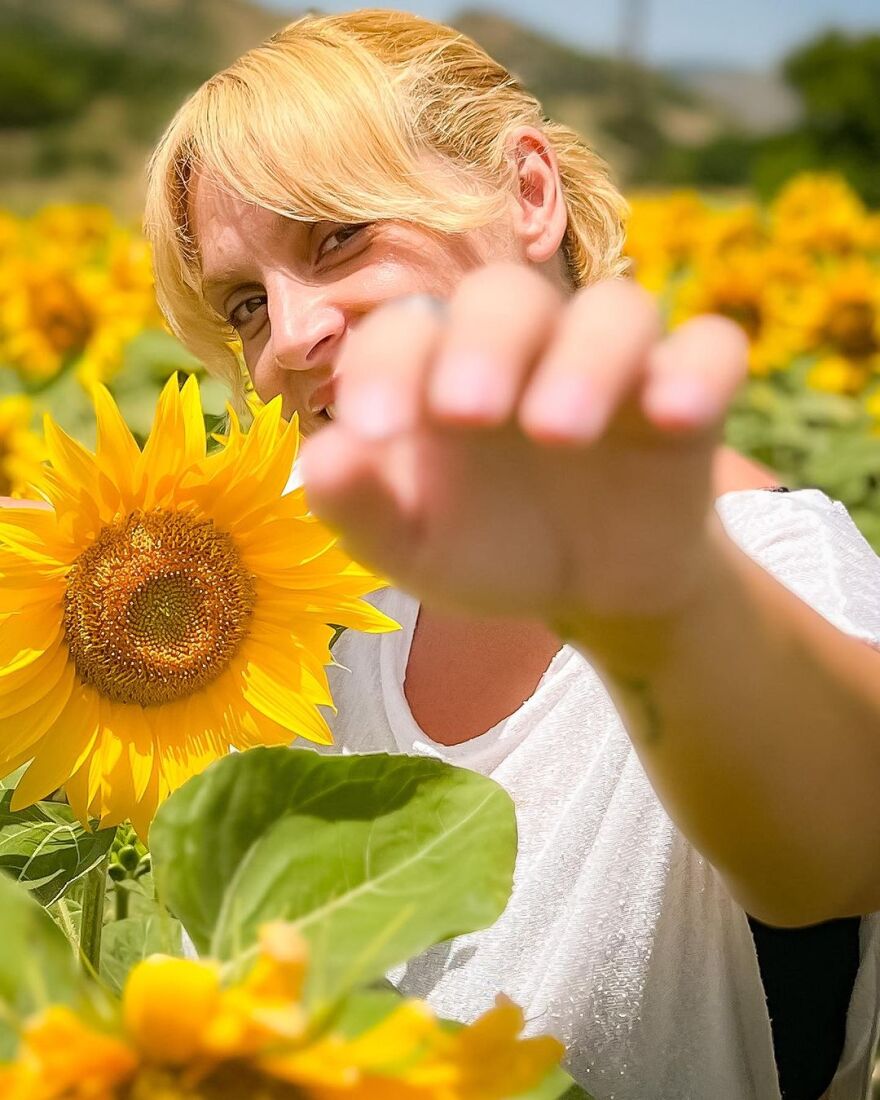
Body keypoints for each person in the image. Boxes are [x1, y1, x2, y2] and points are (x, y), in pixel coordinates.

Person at [144, 10, 880, 1098]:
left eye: (337, 236)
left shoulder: (767, 560)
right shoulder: (309, 579)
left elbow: (839, 834)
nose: (284, 343)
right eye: (246, 303)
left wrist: (654, 601)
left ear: (530, 193)